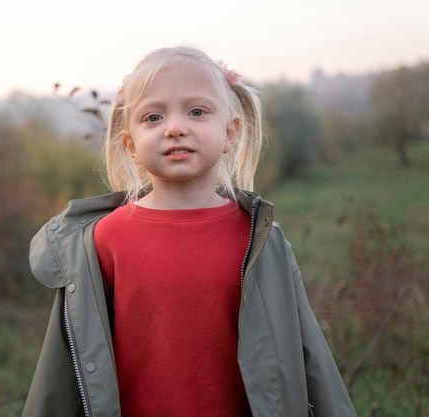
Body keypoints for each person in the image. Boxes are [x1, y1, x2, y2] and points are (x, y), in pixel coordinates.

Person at [22, 46, 357, 417]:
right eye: (153, 117)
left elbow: (309, 354)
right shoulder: (101, 242)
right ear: (130, 145)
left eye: (197, 111)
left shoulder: (261, 240)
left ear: (230, 133)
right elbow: (59, 370)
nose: (175, 127)